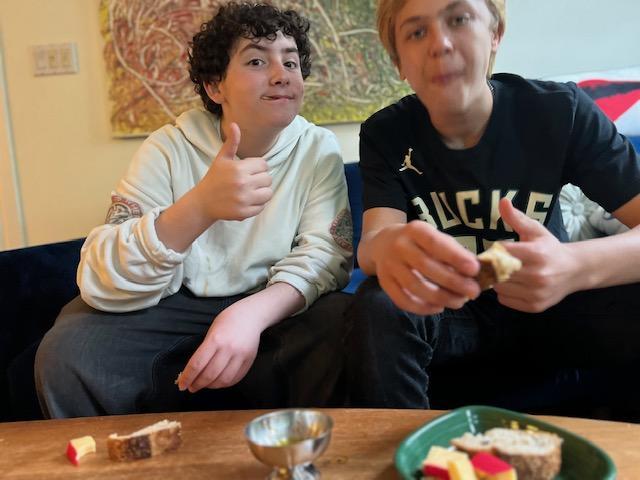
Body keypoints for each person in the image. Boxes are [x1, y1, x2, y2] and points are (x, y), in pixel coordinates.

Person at [35, 2, 353, 418]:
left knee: (349, 323)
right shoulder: (167, 147)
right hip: (173, 303)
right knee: (69, 350)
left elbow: (327, 256)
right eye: (257, 61)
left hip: (271, 302)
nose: (282, 75)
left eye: (290, 62)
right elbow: (100, 273)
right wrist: (200, 207)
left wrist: (249, 315)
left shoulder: (317, 148)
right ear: (215, 87)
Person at [346, 0, 640, 408]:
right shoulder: (386, 132)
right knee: (378, 303)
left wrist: (574, 265)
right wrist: (388, 247)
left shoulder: (560, 111)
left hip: (553, 301)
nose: (440, 43)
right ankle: (401, 446)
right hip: (451, 310)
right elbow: (373, 244)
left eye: (459, 19)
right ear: (399, 63)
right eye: (417, 32)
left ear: (495, 32)